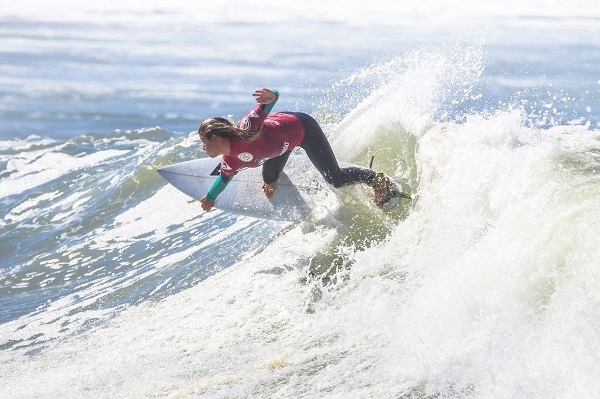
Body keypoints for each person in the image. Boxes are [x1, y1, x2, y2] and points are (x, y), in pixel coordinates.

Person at [198, 88, 395, 212]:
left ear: (214, 138)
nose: (203, 147)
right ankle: (279, 165)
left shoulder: (248, 127)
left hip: (302, 129)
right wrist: (210, 198)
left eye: (203, 141)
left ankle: (376, 179)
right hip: (277, 147)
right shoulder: (230, 162)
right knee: (268, 178)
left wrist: (272, 95)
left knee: (335, 179)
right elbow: (223, 179)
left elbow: (271, 100)